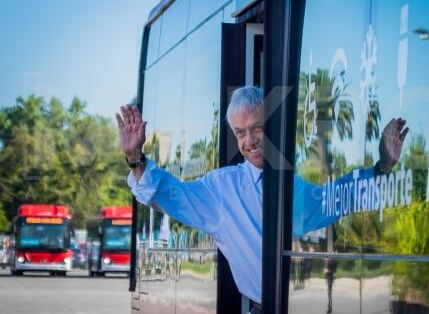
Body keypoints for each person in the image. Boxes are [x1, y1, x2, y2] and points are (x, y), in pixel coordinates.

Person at [116, 86, 408, 313]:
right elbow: (167, 193)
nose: (250, 140)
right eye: (240, 133)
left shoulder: (293, 184)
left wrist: (383, 167)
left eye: (257, 128)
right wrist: (135, 158)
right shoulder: (221, 190)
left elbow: (338, 198)